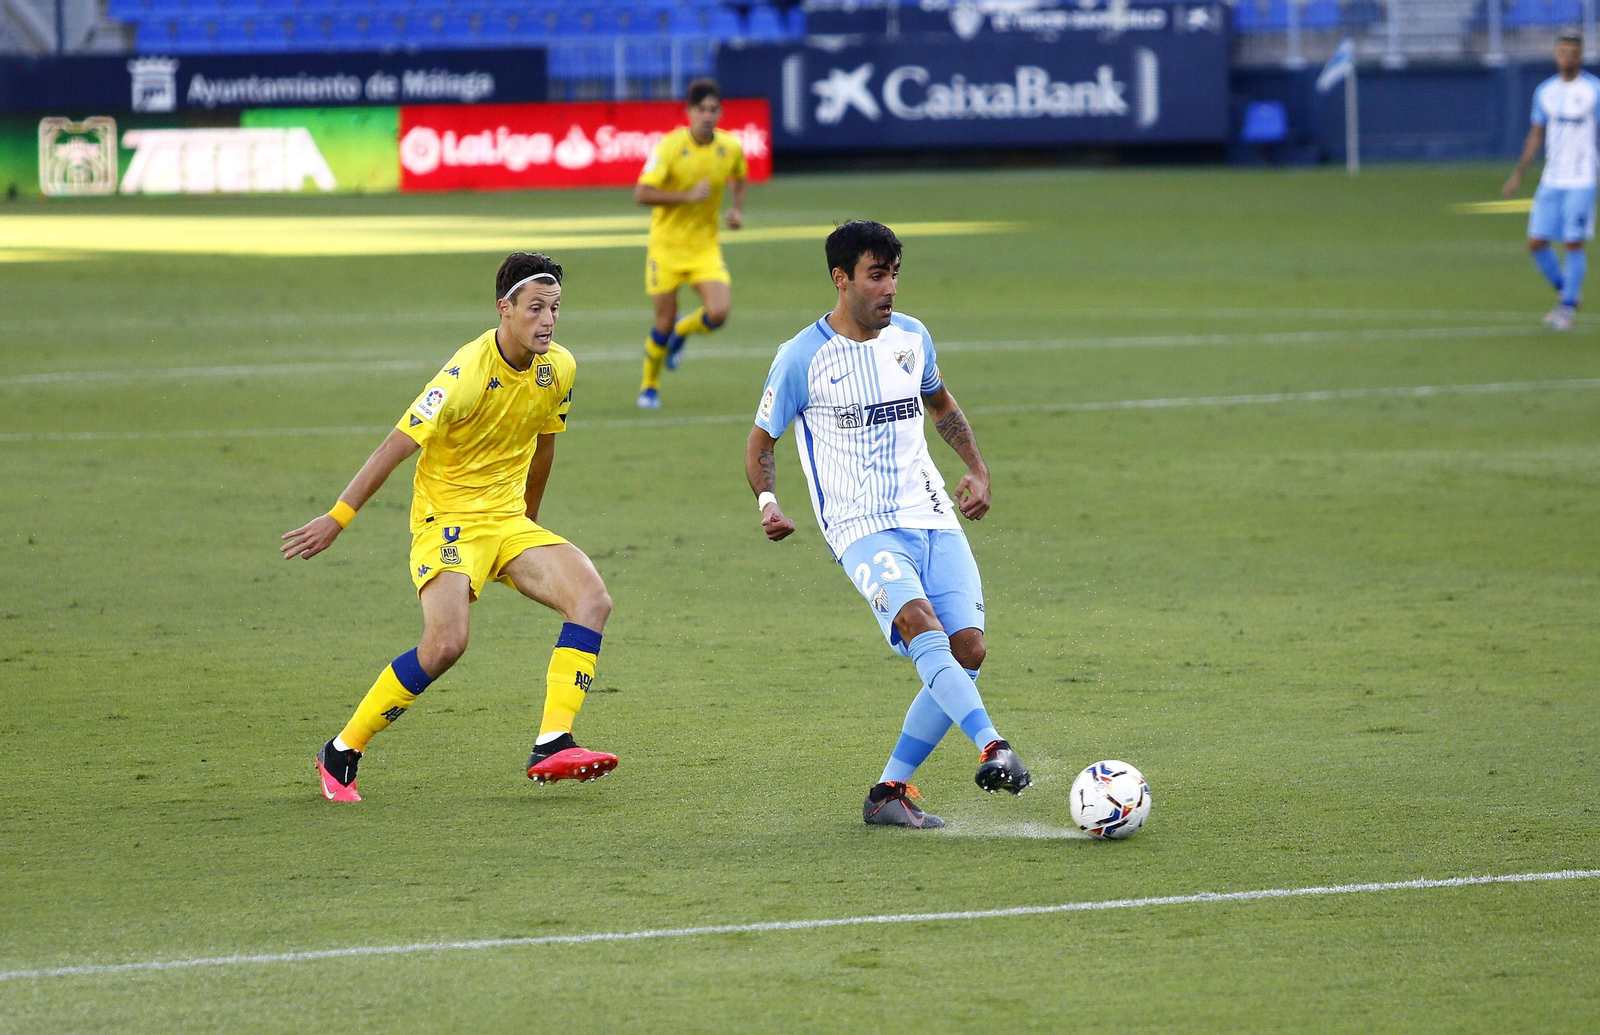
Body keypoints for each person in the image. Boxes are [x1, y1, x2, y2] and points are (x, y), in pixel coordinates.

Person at [281, 252, 618, 802]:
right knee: (445, 645)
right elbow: (396, 445)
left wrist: (527, 523)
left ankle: (553, 743)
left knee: (591, 599)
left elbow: (544, 446)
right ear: (504, 309)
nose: (548, 321)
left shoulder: (560, 367)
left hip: (507, 521)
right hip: (449, 522)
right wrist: (337, 518)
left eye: (555, 308)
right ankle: (341, 751)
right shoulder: (464, 374)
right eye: (536, 308)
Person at [743, 220, 1030, 830]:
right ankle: (993, 745)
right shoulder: (802, 357)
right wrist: (768, 501)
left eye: (895, 274)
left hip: (932, 515)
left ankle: (888, 792)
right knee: (917, 621)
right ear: (841, 279)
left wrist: (977, 470)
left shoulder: (912, 337)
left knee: (968, 648)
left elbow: (942, 405)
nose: (890, 288)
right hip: (859, 526)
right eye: (877, 275)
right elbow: (760, 441)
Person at [634, 77, 747, 409]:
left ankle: (685, 330)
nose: (708, 116)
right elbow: (641, 194)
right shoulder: (669, 147)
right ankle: (649, 386)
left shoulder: (730, 147)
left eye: (713, 109)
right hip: (665, 249)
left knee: (719, 312)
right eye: (701, 109)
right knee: (662, 322)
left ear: (721, 112)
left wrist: (736, 210)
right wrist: (686, 195)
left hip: (704, 248)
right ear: (689, 112)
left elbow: (740, 176)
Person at [1504, 26, 1600, 331]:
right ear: (1555, 55)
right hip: (1552, 178)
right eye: (1562, 52)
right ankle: (1566, 289)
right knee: (1536, 242)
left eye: (1573, 53)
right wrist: (1519, 173)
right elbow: (1536, 133)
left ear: (1581, 56)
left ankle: (1566, 309)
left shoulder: (1594, 90)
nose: (1567, 58)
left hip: (1582, 177)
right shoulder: (1545, 91)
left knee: (1573, 243)